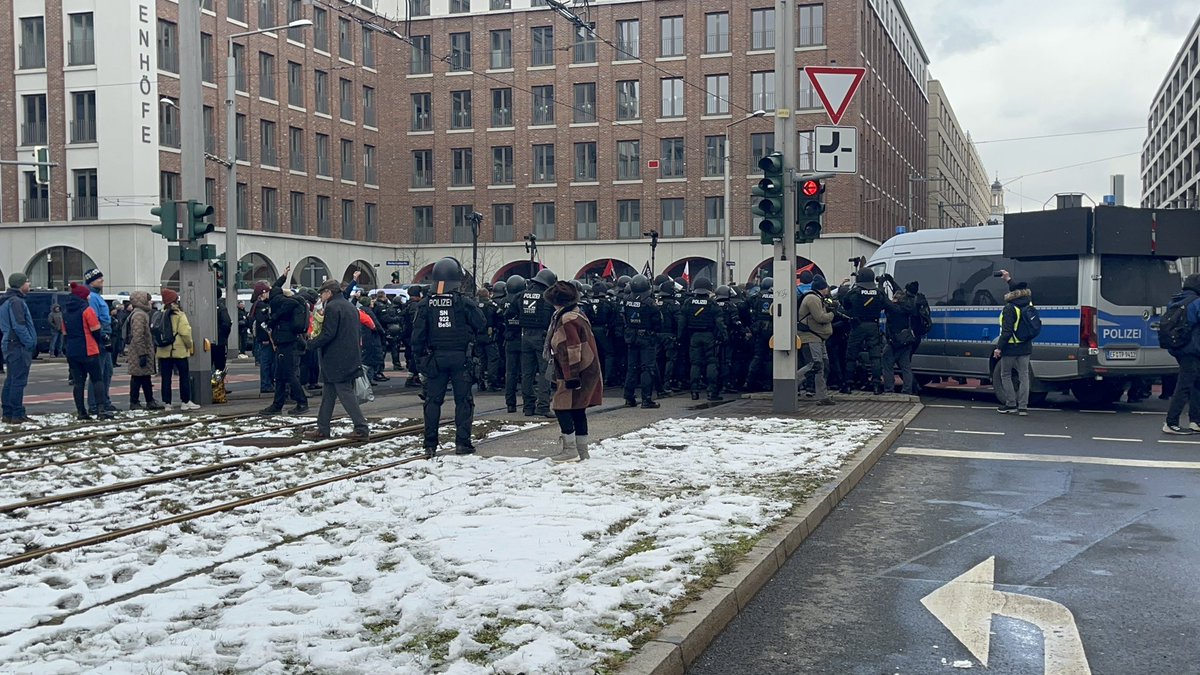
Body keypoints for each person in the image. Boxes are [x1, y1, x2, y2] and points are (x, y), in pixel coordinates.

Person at [412, 257, 485, 458]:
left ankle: (430, 445)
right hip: (461, 358)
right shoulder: (463, 302)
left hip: (436, 359)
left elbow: (417, 336)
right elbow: (480, 323)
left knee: (433, 402)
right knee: (464, 401)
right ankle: (462, 443)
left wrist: (420, 361)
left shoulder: (426, 304)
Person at [303, 279, 370, 441]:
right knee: (329, 393)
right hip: (349, 354)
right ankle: (322, 427)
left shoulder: (333, 307)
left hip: (336, 357)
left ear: (329, 292)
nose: (321, 296)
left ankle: (361, 427)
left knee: (345, 393)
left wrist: (310, 344)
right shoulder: (350, 306)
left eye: (322, 293)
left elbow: (328, 333)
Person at [543, 281, 602, 463]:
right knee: (578, 409)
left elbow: (571, 349)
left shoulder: (566, 319)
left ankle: (570, 449)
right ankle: (582, 451)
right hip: (587, 367)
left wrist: (571, 377)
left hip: (575, 370)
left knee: (561, 406)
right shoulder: (576, 313)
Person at [261, 269, 308, 415]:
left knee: (287, 373)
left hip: (286, 340)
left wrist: (274, 317)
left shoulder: (277, 300)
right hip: (285, 340)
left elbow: (291, 303)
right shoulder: (275, 294)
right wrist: (283, 276)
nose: (262, 299)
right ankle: (277, 404)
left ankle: (301, 402)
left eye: (261, 296)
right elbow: (276, 286)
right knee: (280, 374)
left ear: (264, 293)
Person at [63, 282, 113, 420]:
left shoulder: (65, 311)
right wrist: (102, 341)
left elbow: (64, 332)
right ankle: (101, 410)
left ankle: (81, 412)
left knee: (79, 382)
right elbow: (96, 330)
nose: (89, 298)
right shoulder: (87, 310)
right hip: (89, 349)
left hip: (73, 351)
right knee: (97, 379)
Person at [840, 268, 894, 395]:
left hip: (857, 326)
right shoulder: (879, 293)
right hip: (873, 325)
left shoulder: (854, 292)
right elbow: (889, 306)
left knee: (851, 356)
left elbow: (845, 305)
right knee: (875, 356)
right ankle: (876, 386)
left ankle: (847, 385)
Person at [512, 268, 557, 417]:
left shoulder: (521, 295)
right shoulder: (548, 298)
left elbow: (511, 314)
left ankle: (528, 407)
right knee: (545, 372)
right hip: (542, 337)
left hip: (525, 336)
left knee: (527, 374)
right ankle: (543, 406)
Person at [1163, 273, 1200, 434]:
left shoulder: (1176, 301)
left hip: (1179, 347)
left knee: (1196, 383)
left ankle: (1196, 421)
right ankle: (1171, 422)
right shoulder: (1196, 303)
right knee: (1185, 385)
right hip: (1192, 349)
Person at [993, 270, 1033, 415]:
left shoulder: (1010, 308)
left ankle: (1010, 404)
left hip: (1010, 347)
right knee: (1024, 376)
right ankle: (1023, 407)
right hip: (1026, 346)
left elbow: (1007, 331)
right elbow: (1016, 287)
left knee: (1005, 375)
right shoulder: (1028, 304)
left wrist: (999, 348)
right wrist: (1008, 279)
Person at [680, 277, 725, 401]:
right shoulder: (712, 303)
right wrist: (724, 336)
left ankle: (694, 391)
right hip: (709, 336)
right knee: (711, 362)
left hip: (694, 336)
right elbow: (719, 322)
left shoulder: (689, 302)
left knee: (695, 364)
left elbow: (682, 321)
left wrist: (680, 337)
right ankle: (711, 392)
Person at [622, 274, 662, 408]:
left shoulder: (626, 300)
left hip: (631, 336)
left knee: (631, 367)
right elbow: (657, 323)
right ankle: (646, 399)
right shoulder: (650, 303)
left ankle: (629, 398)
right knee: (647, 368)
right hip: (646, 337)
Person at [0, 273, 36, 423]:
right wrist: (29, 343)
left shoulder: (6, 300)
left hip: (9, 343)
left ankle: (7, 412)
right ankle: (17, 413)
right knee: (18, 381)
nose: (29, 284)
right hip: (17, 345)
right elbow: (19, 325)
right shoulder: (16, 302)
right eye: (27, 281)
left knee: (11, 380)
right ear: (20, 284)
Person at [156, 288, 199, 411]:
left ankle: (167, 403)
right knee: (184, 376)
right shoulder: (179, 315)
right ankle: (185, 401)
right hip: (179, 350)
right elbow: (185, 333)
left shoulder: (160, 314)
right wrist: (189, 345)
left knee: (166, 378)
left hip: (164, 351)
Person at [797, 275, 836, 406]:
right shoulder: (812, 299)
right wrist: (832, 314)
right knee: (815, 365)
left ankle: (822, 396)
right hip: (811, 337)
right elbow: (820, 317)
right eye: (826, 287)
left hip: (819, 337)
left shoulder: (817, 298)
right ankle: (790, 382)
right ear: (822, 288)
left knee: (822, 366)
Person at [83, 267, 117, 415]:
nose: (102, 281)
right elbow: (94, 319)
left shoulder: (96, 296)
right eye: (99, 279)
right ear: (91, 282)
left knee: (107, 371)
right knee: (98, 373)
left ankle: (104, 400)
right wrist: (103, 335)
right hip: (100, 338)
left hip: (104, 336)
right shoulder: (92, 297)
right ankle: (95, 404)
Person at [125, 291, 164, 410]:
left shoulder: (139, 313)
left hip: (139, 350)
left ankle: (149, 400)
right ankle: (135, 401)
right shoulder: (139, 315)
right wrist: (142, 353)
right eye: (148, 299)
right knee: (138, 377)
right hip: (139, 351)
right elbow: (138, 336)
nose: (150, 302)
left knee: (144, 376)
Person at [882, 281, 919, 395]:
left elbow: (883, 298)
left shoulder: (893, 309)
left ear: (895, 299)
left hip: (894, 341)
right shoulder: (909, 306)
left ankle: (889, 388)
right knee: (906, 367)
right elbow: (901, 294)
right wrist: (892, 281)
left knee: (887, 362)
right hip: (906, 340)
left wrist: (880, 284)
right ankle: (907, 389)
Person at [500, 275, 525, 413]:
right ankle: (528, 403)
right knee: (527, 373)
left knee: (510, 373)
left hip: (509, 339)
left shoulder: (503, 301)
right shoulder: (523, 300)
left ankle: (510, 403)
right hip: (522, 338)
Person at [249, 281, 274, 392]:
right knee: (266, 362)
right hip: (265, 338)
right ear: (262, 293)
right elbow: (263, 322)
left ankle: (267, 384)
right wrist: (268, 336)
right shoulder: (261, 306)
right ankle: (266, 385)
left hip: (261, 337)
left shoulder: (256, 305)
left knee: (266, 361)